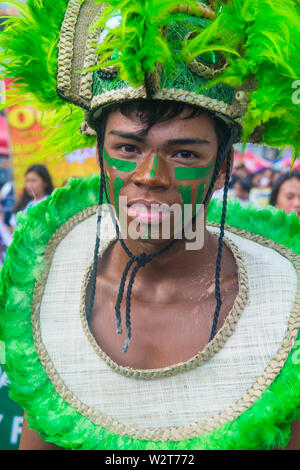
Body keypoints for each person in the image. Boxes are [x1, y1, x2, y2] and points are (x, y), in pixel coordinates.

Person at [0, 0, 300, 451]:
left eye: (184, 154)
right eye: (127, 148)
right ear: (99, 154)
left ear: (222, 168)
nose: (150, 176)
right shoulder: (47, 289)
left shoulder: (286, 309)